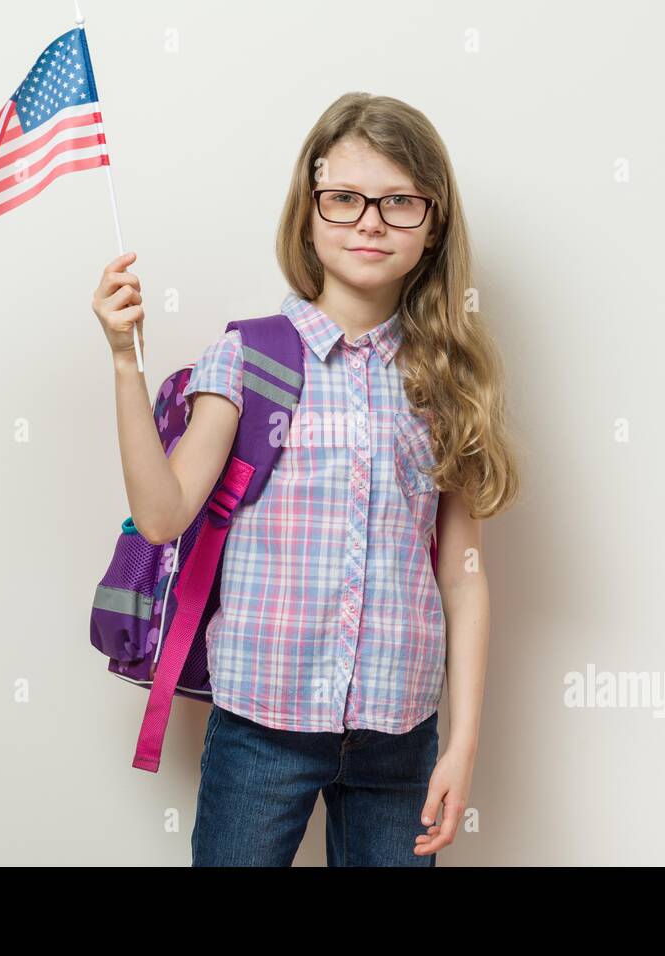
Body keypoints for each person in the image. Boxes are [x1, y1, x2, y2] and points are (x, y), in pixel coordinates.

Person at [92, 92, 521, 866]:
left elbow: (464, 578)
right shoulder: (248, 358)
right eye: (345, 198)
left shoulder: (442, 382)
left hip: (401, 735)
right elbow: (163, 516)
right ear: (310, 212)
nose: (369, 221)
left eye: (398, 202)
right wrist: (126, 362)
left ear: (432, 227)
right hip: (261, 726)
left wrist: (460, 747)